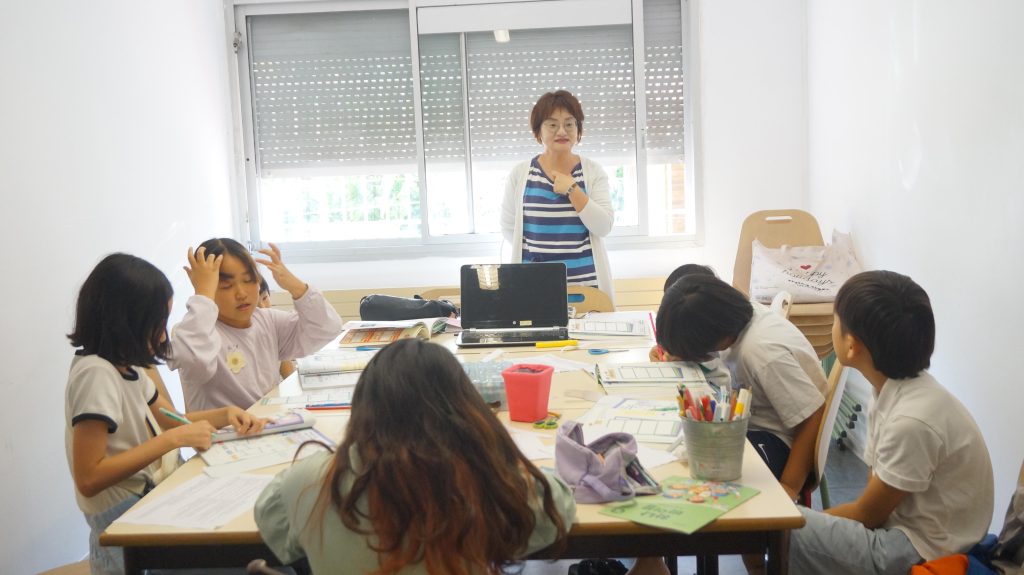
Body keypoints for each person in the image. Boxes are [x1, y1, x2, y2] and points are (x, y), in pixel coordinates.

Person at [255, 339, 576, 574]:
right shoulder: (485, 479)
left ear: (364, 409)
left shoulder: (307, 480)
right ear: (464, 410)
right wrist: (492, 451)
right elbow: (558, 508)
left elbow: (277, 527)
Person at [65, 253, 265, 575]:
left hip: (149, 500)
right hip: (124, 518)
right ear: (125, 322)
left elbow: (171, 419)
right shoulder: (95, 374)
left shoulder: (126, 368)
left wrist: (226, 414)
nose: (162, 336)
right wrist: (174, 440)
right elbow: (89, 478)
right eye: (157, 323)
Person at [785, 271, 994, 575]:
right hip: (905, 532)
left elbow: (866, 514)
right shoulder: (890, 391)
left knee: (785, 528)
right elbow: (875, 496)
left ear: (852, 345)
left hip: (921, 550)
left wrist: (818, 527)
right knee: (795, 526)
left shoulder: (911, 421)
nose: (832, 328)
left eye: (835, 322)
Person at [656, 274, 827, 499]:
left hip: (779, 441)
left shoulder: (761, 353)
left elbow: (813, 414)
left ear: (712, 338)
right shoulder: (737, 315)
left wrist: (789, 487)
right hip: (749, 422)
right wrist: (678, 351)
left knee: (698, 474)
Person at [169, 239, 342, 411]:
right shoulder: (198, 331)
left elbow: (327, 329)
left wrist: (295, 286)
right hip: (225, 428)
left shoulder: (268, 321)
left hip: (271, 422)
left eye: (249, 280)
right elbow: (195, 362)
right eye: (226, 286)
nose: (241, 293)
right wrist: (203, 295)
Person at [501, 90, 615, 299]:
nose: (562, 131)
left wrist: (572, 190)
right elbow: (510, 228)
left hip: (586, 292)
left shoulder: (592, 172)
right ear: (538, 132)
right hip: (532, 291)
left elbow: (603, 226)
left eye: (569, 124)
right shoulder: (520, 173)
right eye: (552, 125)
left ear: (578, 130)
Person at [257, 276, 296, 380]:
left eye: (265, 298)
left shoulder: (274, 326)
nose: (262, 307)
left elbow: (289, 374)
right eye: (255, 305)